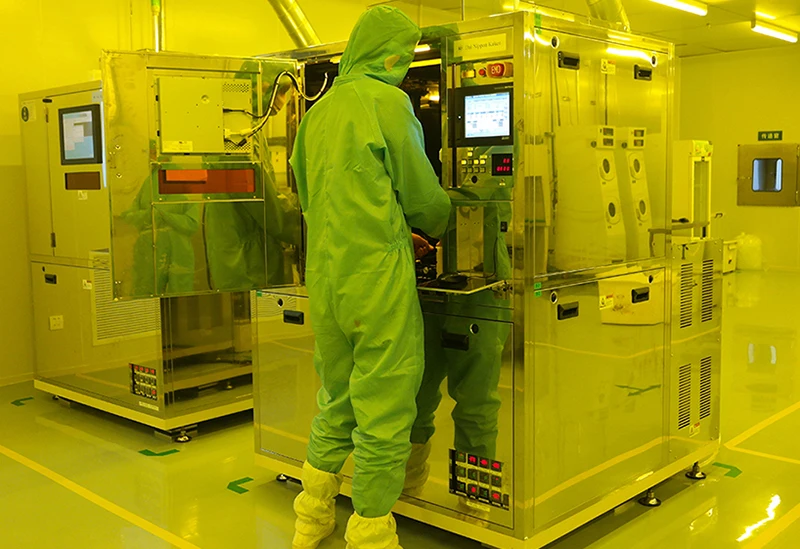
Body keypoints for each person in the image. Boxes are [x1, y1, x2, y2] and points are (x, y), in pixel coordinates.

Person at [288, 6, 451, 549]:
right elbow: (422, 193)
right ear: (390, 56)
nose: (403, 69)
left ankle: (311, 517)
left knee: (337, 395)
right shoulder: (386, 102)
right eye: (403, 57)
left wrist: (388, 227)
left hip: (327, 275)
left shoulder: (318, 112)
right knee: (386, 401)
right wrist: (440, 222)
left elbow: (320, 196)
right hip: (376, 280)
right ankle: (371, 534)